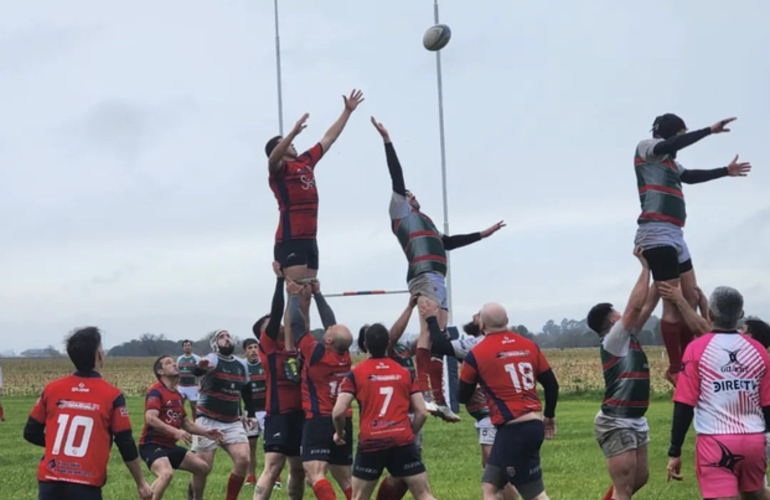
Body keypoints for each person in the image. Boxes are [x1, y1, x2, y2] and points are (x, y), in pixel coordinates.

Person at [371, 116, 505, 414]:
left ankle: (440, 398)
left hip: (438, 278)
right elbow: (397, 177)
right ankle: (427, 394)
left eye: (413, 194)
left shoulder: (427, 222)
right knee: (428, 333)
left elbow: (449, 242)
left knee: (439, 338)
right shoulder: (400, 212)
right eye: (408, 194)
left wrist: (483, 234)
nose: (412, 195)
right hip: (423, 275)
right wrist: (387, 140)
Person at [633, 114, 751, 386]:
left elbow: (691, 176)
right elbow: (670, 144)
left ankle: (690, 358)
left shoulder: (671, 163)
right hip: (656, 232)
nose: (679, 141)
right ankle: (676, 368)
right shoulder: (647, 148)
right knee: (673, 305)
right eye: (680, 134)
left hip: (676, 234)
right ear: (671, 133)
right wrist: (709, 131)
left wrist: (725, 170)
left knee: (690, 296)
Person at [265, 90, 365, 331]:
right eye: (286, 144)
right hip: (291, 239)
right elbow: (272, 159)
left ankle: (304, 347)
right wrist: (291, 133)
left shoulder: (305, 161)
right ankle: (291, 351)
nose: (292, 145)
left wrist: (347, 112)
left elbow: (328, 138)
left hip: (310, 239)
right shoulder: (279, 169)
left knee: (307, 295)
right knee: (296, 295)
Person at [23, 326, 152, 500]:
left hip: (50, 481)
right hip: (86, 482)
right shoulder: (112, 395)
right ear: (99, 355)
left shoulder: (52, 389)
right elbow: (125, 442)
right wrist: (141, 483)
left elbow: (30, 432)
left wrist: (60, 445)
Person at [666, 286, 770, 500]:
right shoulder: (758, 350)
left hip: (716, 442)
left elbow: (684, 403)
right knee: (755, 495)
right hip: (754, 441)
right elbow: (768, 404)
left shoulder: (697, 349)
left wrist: (675, 450)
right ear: (740, 315)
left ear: (710, 314)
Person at [458, 303, 559, 500]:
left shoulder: (477, 354)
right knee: (492, 483)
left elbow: (462, 396)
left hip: (513, 429)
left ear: (483, 324)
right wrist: (549, 415)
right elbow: (551, 385)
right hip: (532, 424)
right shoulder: (529, 346)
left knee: (529, 493)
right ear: (507, 321)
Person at [586, 248, 660, 500]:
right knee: (624, 487)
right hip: (616, 420)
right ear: (611, 321)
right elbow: (636, 305)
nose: (622, 314)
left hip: (635, 418)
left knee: (640, 478)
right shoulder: (613, 339)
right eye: (616, 312)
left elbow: (648, 304)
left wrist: (663, 273)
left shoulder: (627, 336)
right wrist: (645, 268)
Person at [333, 323, 438, 500]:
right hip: (402, 441)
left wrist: (339, 433)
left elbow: (338, 412)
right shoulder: (404, 373)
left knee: (358, 497)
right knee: (424, 494)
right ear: (388, 343)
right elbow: (421, 411)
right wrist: (409, 434)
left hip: (371, 442)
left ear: (365, 345)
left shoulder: (356, 374)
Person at [424, 305, 519, 500]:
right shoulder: (504, 341)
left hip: (491, 414)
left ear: (483, 324)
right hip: (500, 412)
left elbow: (441, 345)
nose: (473, 316)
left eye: (478, 315)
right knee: (493, 468)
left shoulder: (477, 343)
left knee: (494, 471)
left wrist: (432, 320)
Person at [288, 280, 354, 500]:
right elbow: (331, 324)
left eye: (329, 330)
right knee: (345, 478)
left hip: (318, 419)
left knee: (315, 474)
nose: (328, 326)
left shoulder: (317, 355)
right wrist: (318, 294)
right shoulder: (344, 356)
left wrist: (294, 296)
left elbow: (297, 326)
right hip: (344, 419)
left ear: (328, 339)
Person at [253, 263, 306, 500]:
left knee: (298, 469)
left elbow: (297, 317)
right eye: (269, 324)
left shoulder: (292, 347)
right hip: (278, 413)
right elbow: (277, 314)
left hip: (299, 413)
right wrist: (280, 282)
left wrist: (302, 294)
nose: (279, 324)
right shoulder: (268, 347)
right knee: (273, 466)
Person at [139, 355, 225, 500]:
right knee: (166, 474)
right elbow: (150, 418)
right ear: (161, 372)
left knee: (202, 468)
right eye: (169, 363)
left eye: (174, 362)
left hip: (169, 446)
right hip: (151, 445)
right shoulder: (156, 391)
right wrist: (175, 432)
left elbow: (186, 423)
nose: (174, 364)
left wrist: (206, 433)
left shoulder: (177, 395)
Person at [188, 330, 257, 500]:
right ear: (215, 344)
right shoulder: (212, 358)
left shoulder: (242, 364)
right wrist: (200, 368)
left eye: (228, 336)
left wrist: (251, 414)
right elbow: (197, 371)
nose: (227, 339)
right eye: (222, 337)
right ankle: (196, 497)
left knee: (243, 459)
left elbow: (247, 390)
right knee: (203, 467)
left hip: (232, 422)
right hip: (207, 419)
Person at [240, 338, 268, 486]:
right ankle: (251, 476)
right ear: (245, 351)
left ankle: (273, 475)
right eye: (250, 348)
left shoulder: (265, 364)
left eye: (255, 347)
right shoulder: (242, 367)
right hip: (250, 412)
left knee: (270, 446)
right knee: (251, 445)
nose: (253, 350)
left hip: (266, 411)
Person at [177, 340, 201, 422]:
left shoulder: (196, 358)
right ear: (183, 347)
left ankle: (195, 424)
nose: (187, 347)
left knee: (194, 407)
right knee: (179, 406)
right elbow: (177, 371)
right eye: (185, 346)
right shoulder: (180, 359)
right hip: (181, 386)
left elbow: (201, 372)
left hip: (193, 387)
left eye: (188, 345)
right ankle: (178, 424)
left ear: (191, 347)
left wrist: (200, 385)